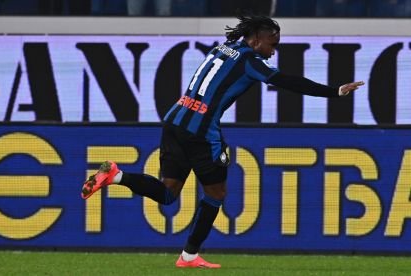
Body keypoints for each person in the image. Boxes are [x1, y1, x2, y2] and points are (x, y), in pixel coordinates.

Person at [81, 12, 364, 268]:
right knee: (216, 194)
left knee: (168, 193)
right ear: (255, 41)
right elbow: (287, 81)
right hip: (201, 132)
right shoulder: (251, 61)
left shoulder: (221, 47)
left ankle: (116, 176)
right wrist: (334, 91)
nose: (273, 51)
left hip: (175, 120)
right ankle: (189, 257)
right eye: (271, 44)